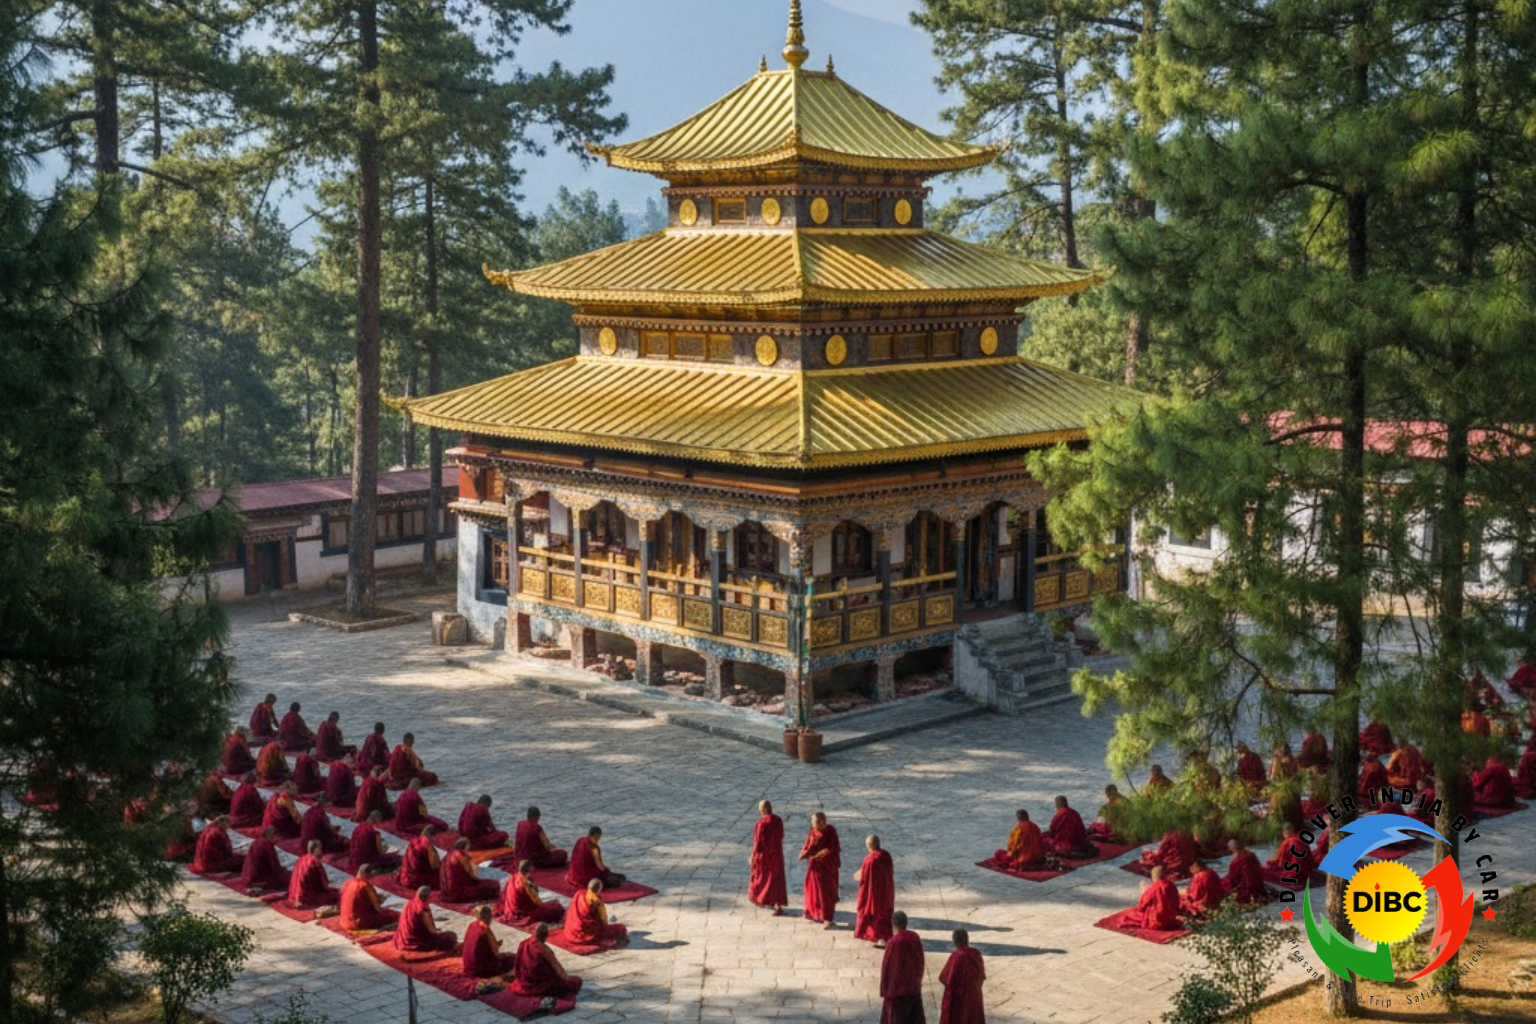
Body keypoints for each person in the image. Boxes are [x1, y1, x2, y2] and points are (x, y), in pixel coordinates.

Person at [510, 924, 583, 1001]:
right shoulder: (544, 950)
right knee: (577, 981)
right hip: (540, 984)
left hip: (524, 982)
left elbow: (517, 964)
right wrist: (566, 980)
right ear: (545, 936)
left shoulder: (523, 943)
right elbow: (558, 971)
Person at [879, 910, 925, 1024]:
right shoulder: (914, 937)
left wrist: (884, 989)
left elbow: (887, 967)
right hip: (913, 986)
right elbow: (920, 959)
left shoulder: (893, 942)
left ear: (893, 925)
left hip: (897, 990)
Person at [799, 811, 841, 928]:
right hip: (814, 866)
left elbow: (833, 849)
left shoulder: (831, 831)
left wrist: (817, 856)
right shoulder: (813, 831)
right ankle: (813, 912)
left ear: (823, 822)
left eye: (816, 822)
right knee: (811, 889)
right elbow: (807, 844)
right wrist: (804, 852)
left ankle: (828, 918)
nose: (814, 824)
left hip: (827, 867)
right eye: (813, 821)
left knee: (826, 893)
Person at [854, 835, 896, 946]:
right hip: (886, 891)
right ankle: (885, 937)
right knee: (885, 914)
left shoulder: (870, 860)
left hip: (874, 894)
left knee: (875, 915)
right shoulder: (886, 855)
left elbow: (864, 878)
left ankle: (879, 938)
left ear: (869, 846)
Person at [938, 929, 985, 1024]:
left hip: (958, 1001)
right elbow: (981, 975)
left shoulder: (956, 957)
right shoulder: (976, 954)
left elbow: (944, 978)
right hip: (974, 997)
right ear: (967, 939)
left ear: (955, 941)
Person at [563, 878, 628, 947]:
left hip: (571, 932)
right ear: (599, 890)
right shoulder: (597, 902)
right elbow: (603, 921)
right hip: (587, 935)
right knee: (621, 928)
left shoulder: (579, 893)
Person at [748, 799, 787, 914]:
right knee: (777, 880)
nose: (759, 811)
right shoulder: (778, 820)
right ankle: (777, 905)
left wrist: (753, 856)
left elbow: (758, 842)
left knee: (762, 879)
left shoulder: (762, 823)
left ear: (764, 809)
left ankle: (760, 898)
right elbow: (781, 835)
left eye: (760, 809)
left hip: (765, 856)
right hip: (778, 855)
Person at [496, 860, 565, 924]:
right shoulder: (524, 884)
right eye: (531, 872)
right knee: (556, 908)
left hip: (511, 909)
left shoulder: (514, 877)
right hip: (522, 911)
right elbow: (536, 902)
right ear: (528, 872)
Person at [394, 886, 457, 953]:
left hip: (402, 939)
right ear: (427, 897)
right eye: (431, 896)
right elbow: (432, 931)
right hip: (417, 942)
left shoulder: (410, 903)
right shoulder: (423, 909)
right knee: (452, 936)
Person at [462, 905, 517, 978]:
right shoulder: (485, 929)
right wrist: (496, 945)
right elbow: (496, 951)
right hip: (481, 970)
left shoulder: (472, 925)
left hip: (468, 965)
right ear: (490, 917)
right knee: (512, 957)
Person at [339, 865, 399, 931]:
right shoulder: (365, 885)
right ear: (368, 875)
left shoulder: (347, 882)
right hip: (359, 922)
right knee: (393, 915)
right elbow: (377, 908)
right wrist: (381, 899)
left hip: (343, 920)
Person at [442, 837, 501, 903]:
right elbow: (473, 876)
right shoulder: (460, 854)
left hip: (446, 893)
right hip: (458, 893)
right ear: (466, 846)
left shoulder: (447, 855)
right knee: (494, 884)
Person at [288, 840, 341, 909]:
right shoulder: (314, 861)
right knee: (335, 895)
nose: (321, 851)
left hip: (294, 894)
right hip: (307, 896)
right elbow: (323, 884)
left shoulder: (301, 859)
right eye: (320, 848)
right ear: (315, 849)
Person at [1126, 866, 1181, 930]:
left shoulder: (1153, 888)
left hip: (1156, 918)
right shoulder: (1170, 884)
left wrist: (1143, 892)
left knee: (1131, 914)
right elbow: (1176, 900)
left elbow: (1142, 905)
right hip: (1170, 915)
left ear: (1154, 877)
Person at [240, 827, 291, 894]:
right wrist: (283, 872)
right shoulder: (267, 844)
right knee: (289, 878)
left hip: (247, 876)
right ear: (270, 835)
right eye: (275, 835)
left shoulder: (256, 841)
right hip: (258, 879)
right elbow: (274, 865)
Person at [1223, 839, 1268, 904]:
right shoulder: (1252, 854)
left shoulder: (1235, 861)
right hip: (1257, 882)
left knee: (1224, 884)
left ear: (1232, 849)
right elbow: (1258, 868)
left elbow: (1233, 877)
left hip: (1245, 884)